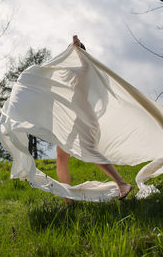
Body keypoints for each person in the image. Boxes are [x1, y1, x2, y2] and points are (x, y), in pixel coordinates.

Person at [56, 35, 132, 202]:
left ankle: (122, 184)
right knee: (61, 158)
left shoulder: (86, 69)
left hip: (84, 118)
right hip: (72, 120)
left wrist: (75, 45)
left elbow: (81, 66)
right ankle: (67, 199)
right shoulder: (70, 74)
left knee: (90, 153)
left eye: (73, 51)